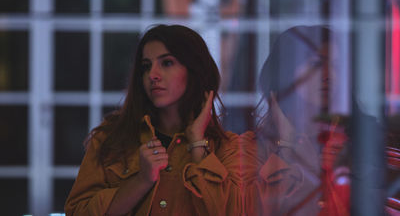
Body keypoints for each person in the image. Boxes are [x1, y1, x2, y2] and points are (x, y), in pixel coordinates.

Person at [65, 24, 242, 216]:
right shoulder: (110, 138)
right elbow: (77, 212)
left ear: (194, 71)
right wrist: (141, 180)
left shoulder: (226, 148)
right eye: (146, 66)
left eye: (166, 63)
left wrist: (197, 144)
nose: (152, 75)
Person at [241, 25, 352, 215]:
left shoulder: (355, 139)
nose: (329, 75)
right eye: (317, 64)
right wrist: (287, 146)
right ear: (286, 72)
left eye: (336, 65)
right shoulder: (253, 149)